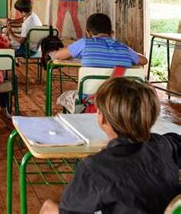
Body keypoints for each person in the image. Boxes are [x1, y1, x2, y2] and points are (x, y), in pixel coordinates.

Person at [40, 77, 181, 214]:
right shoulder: (167, 144)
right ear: (151, 114)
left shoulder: (95, 168)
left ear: (101, 118)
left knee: (48, 208)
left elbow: (69, 210)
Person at [51, 13, 147, 112]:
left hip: (91, 98)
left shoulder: (84, 43)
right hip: (120, 99)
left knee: (66, 96)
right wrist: (131, 53)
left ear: (87, 33)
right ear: (112, 33)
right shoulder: (124, 48)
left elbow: (57, 55)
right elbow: (144, 60)